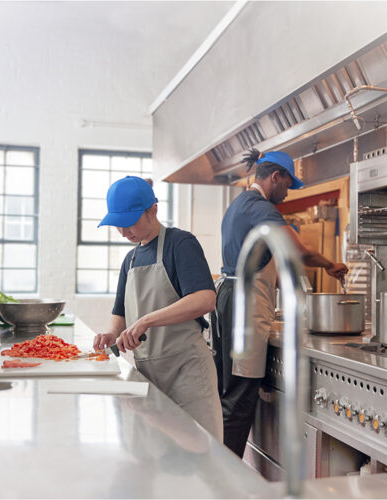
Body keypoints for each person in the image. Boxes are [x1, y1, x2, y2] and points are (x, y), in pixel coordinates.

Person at [212, 148, 349, 457]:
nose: (288, 193)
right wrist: (330, 264)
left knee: (230, 395)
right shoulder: (259, 207)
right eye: (288, 184)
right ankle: (224, 480)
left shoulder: (238, 205)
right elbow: (297, 250)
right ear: (276, 177)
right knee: (240, 398)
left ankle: (220, 473)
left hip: (230, 300)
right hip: (244, 308)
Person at [93, 176, 223, 441]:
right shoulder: (130, 260)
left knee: (200, 455)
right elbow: (120, 313)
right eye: (118, 224)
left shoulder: (180, 244)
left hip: (187, 372)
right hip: (148, 375)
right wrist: (110, 335)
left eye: (130, 222)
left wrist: (146, 321)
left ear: (153, 210)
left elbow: (205, 299)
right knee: (160, 458)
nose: (123, 231)